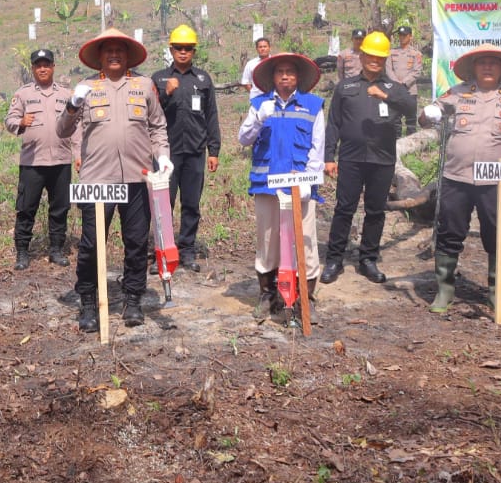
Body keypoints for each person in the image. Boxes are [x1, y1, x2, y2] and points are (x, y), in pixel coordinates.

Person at [58, 27, 170, 331]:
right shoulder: (86, 87)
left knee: (136, 242)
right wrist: (72, 105)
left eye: (120, 50)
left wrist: (163, 155)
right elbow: (62, 130)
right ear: (99, 57)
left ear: (128, 56)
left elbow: (158, 127)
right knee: (91, 244)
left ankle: (133, 299)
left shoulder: (144, 86)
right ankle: (88, 302)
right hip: (97, 180)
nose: (114, 55)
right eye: (108, 51)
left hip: (137, 178)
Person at [419, 45, 501, 314]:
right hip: (457, 176)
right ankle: (444, 291)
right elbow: (426, 120)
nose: (487, 67)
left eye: (493, 63)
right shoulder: (458, 93)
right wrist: (428, 114)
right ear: (474, 68)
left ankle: (497, 293)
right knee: (450, 232)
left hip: (495, 181)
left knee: (498, 234)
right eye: (482, 62)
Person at [322, 32, 415, 286]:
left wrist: (387, 97)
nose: (375, 61)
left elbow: (411, 108)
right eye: (370, 56)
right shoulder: (346, 87)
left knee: (375, 211)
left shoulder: (394, 88)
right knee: (344, 209)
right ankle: (334, 260)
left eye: (380, 57)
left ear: (385, 59)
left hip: (382, 160)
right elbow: (334, 124)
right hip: (351, 159)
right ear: (362, 56)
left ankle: (368, 259)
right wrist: (329, 157)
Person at [237, 53, 325, 324]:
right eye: (280, 72)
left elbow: (318, 148)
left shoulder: (313, 105)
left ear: (298, 77)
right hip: (267, 186)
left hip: (300, 187)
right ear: (272, 77)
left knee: (305, 240)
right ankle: (268, 294)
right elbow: (243, 139)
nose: (285, 76)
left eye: (290, 71)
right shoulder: (259, 104)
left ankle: (305, 297)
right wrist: (258, 119)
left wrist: (309, 180)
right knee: (268, 241)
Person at [151, 25, 221, 272]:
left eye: (188, 48)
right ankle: (162, 251)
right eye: (179, 48)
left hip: (194, 151)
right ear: (171, 50)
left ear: (194, 51)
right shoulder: (159, 79)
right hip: (166, 154)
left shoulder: (202, 79)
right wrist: (166, 94)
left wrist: (214, 150)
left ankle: (187, 250)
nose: (183, 52)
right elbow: (151, 114)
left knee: (191, 204)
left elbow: (211, 115)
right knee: (164, 205)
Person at [4, 48, 78, 270]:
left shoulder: (66, 95)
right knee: (26, 208)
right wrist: (21, 122)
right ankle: (22, 252)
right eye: (38, 65)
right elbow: (9, 120)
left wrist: (78, 154)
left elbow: (76, 125)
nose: (43, 69)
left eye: (47, 65)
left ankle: (56, 250)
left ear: (53, 67)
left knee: (60, 208)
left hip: (61, 161)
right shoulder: (23, 94)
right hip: (32, 163)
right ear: (33, 68)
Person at [385, 26, 423, 135]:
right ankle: (396, 142)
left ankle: (411, 143)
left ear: (410, 36)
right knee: (395, 120)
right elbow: (388, 70)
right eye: (400, 35)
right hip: (394, 91)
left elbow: (417, 71)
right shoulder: (391, 52)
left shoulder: (416, 54)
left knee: (411, 121)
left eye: (404, 35)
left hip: (410, 91)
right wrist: (397, 83)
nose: (402, 37)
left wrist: (404, 83)